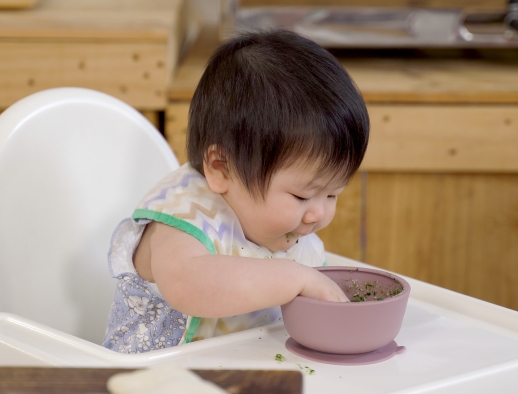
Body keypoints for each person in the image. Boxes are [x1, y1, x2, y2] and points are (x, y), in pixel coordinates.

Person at [103, 29, 369, 353]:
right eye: (301, 196)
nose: (319, 214)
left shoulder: (289, 236)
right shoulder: (183, 219)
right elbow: (188, 285)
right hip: (143, 380)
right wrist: (292, 278)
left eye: (333, 195)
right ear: (221, 168)